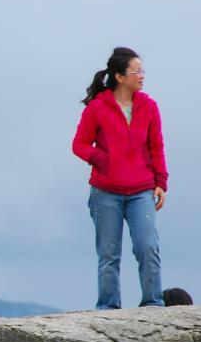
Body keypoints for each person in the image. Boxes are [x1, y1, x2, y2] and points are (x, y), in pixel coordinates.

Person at [72, 46, 169, 309]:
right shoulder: (97, 108)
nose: (142, 76)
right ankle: (108, 309)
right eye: (136, 71)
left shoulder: (149, 107)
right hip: (105, 192)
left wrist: (161, 182)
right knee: (108, 255)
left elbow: (156, 146)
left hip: (141, 191)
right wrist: (102, 160)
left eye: (142, 71)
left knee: (148, 247)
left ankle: (153, 304)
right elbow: (79, 145)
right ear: (119, 77)